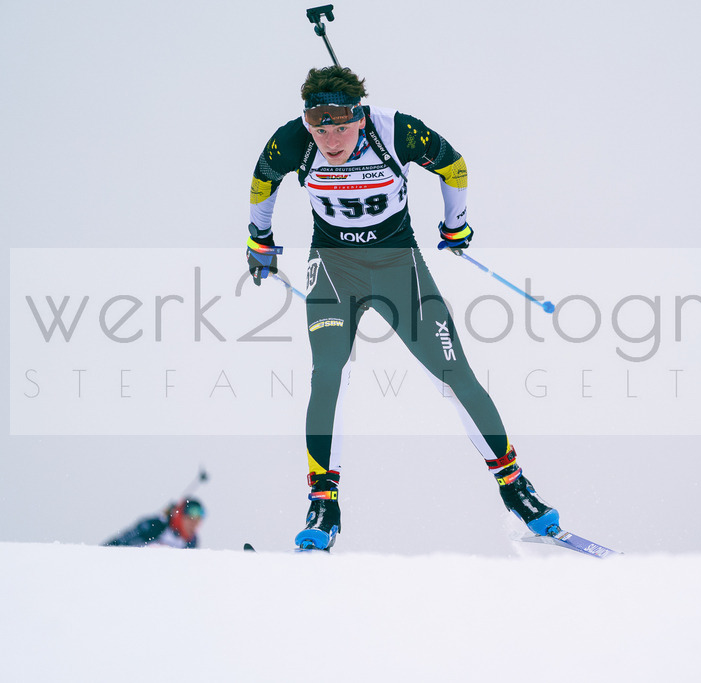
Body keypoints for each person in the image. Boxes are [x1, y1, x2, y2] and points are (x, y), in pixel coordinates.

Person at [246, 66, 560, 551]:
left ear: (359, 115)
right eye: (319, 129)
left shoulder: (396, 130)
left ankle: (517, 489)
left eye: (340, 127)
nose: (330, 141)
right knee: (327, 374)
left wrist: (455, 224)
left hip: (399, 267)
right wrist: (259, 239)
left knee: (454, 374)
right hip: (334, 269)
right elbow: (263, 180)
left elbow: (453, 166)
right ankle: (323, 505)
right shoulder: (293, 140)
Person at [104, 499, 205, 549]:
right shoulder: (155, 527)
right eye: (190, 519)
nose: (193, 524)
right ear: (179, 517)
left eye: (197, 521)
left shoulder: (191, 542)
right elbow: (116, 545)